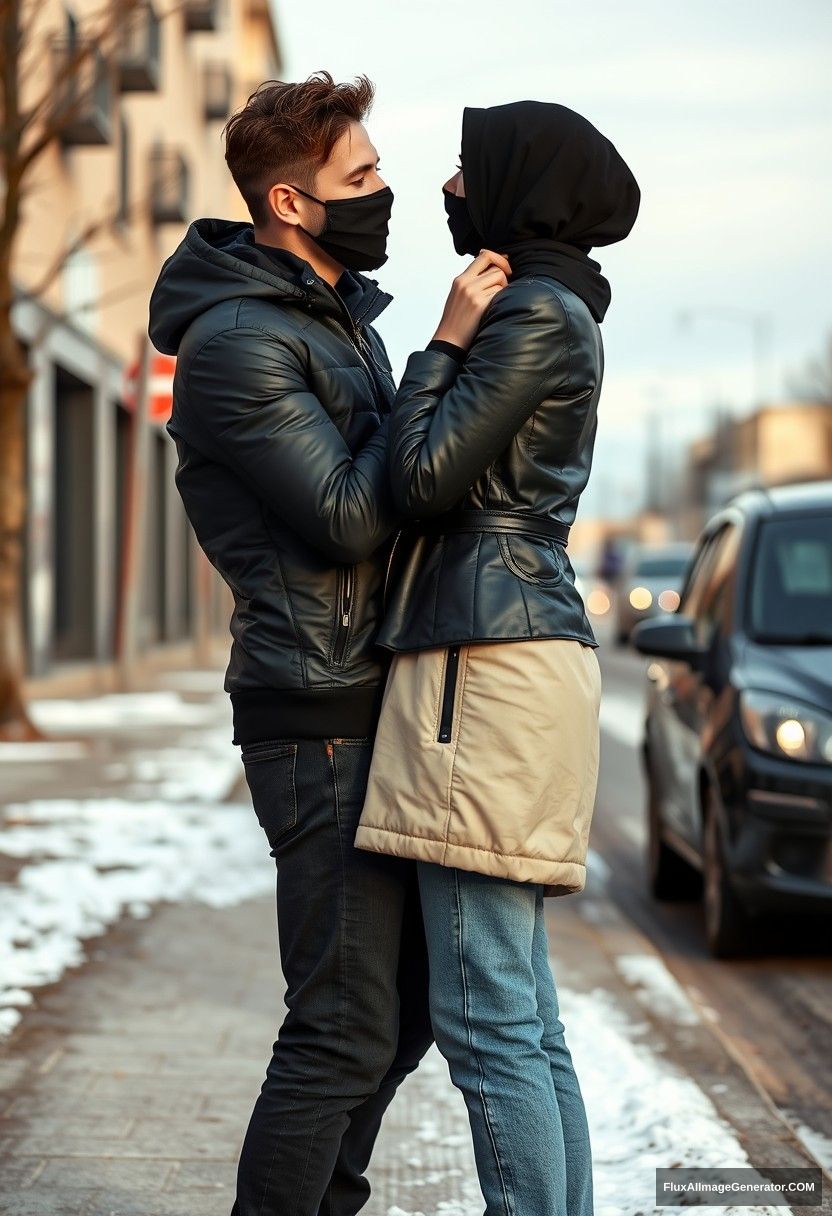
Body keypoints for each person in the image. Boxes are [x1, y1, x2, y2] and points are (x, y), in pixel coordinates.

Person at [147, 71, 509, 1216]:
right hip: (315, 717)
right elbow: (352, 515)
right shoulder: (235, 344)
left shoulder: (324, 319)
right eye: (360, 178)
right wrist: (443, 350)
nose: (384, 192)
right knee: (341, 1027)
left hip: (366, 700)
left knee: (395, 1018)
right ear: (291, 204)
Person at [354, 100, 641, 1216]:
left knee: (487, 1022)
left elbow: (417, 480)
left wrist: (440, 339)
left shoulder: (527, 313)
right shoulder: (564, 309)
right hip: (510, 647)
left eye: (467, 172)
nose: (443, 189)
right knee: (522, 1016)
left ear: (519, 189)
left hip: (485, 658)